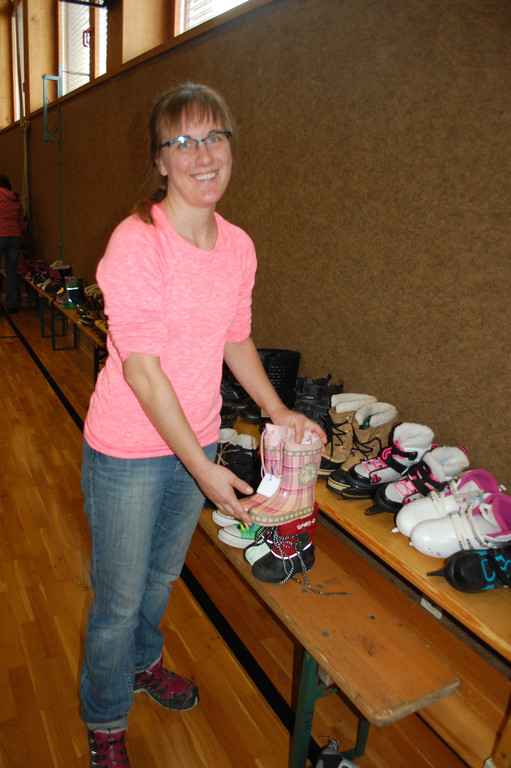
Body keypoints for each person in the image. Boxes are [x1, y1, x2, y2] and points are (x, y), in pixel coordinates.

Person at [80, 82, 326, 768]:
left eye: (214, 137)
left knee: (160, 578)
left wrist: (278, 410)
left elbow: (233, 336)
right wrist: (204, 467)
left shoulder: (238, 246)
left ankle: (142, 664)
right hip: (128, 450)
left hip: (199, 443)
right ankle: (105, 720)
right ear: (160, 160)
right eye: (183, 142)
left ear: (231, 148)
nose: (203, 155)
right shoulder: (137, 243)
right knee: (118, 600)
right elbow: (142, 371)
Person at [0, 175, 25, 314]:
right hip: (15, 235)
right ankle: (11, 305)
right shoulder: (15, 198)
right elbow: (21, 223)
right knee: (11, 271)